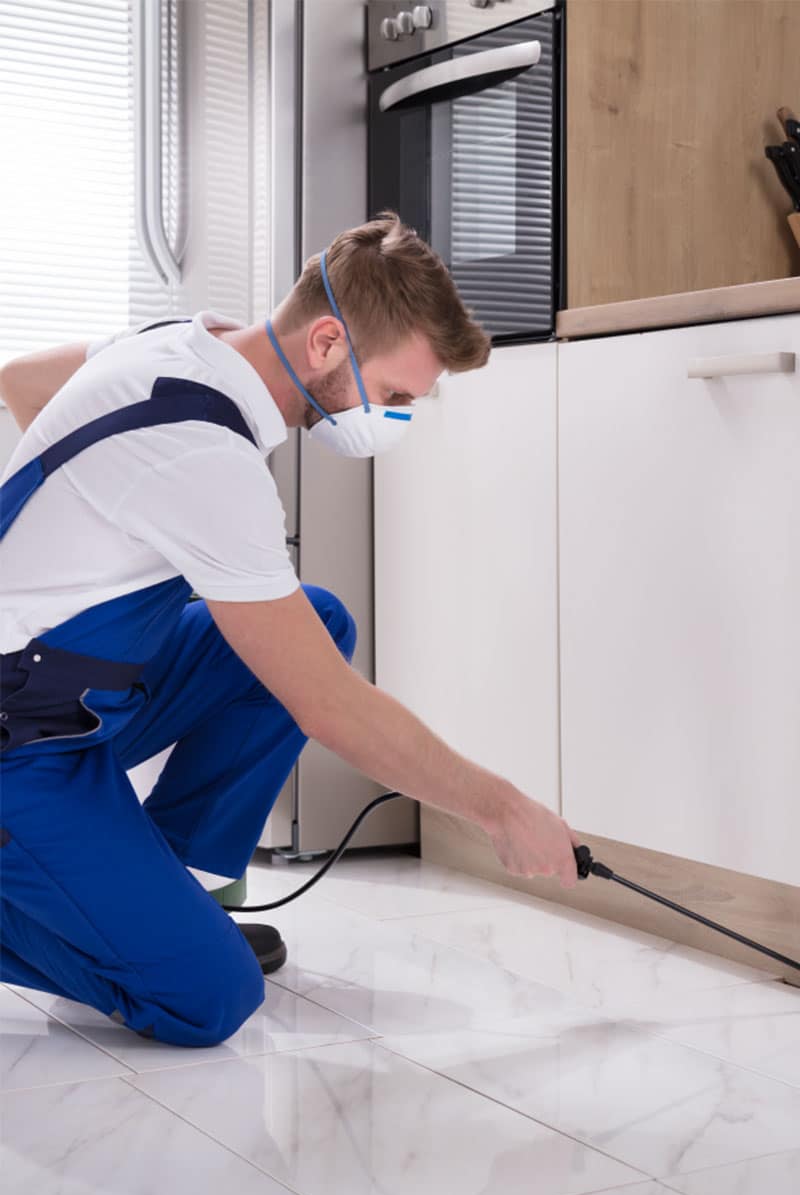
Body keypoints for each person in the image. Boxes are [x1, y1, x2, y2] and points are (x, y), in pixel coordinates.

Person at [0, 212, 580, 1049]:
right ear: (326, 346)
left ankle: (167, 895)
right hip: (23, 740)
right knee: (208, 998)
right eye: (397, 396)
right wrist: (501, 808)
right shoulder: (207, 458)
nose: (398, 419)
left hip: (70, 690)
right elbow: (332, 711)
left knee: (315, 619)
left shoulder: (181, 340)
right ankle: (142, 939)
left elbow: (21, 380)